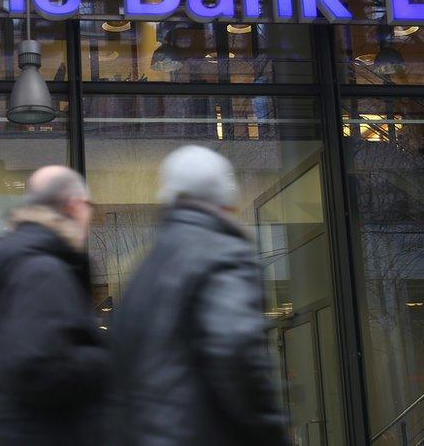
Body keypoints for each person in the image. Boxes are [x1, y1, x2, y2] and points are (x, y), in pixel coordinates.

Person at [109, 146, 289, 446]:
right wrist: (270, 431)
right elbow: (237, 351)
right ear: (225, 198)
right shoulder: (223, 254)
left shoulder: (145, 269)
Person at [0, 165, 106, 446]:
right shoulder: (42, 271)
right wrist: (105, 360)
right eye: (88, 206)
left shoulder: (18, 264)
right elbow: (38, 367)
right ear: (74, 205)